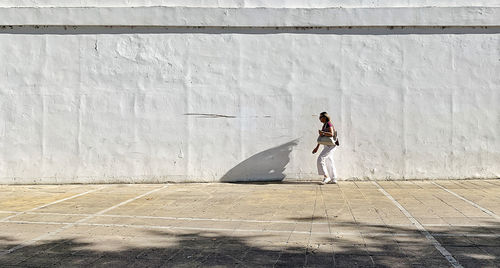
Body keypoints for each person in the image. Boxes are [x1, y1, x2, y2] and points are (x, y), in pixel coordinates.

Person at [312, 112, 338, 184]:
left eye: (321, 117)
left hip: (330, 145)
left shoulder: (329, 124)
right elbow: (322, 138)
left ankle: (326, 177)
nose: (319, 119)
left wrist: (322, 133)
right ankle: (334, 178)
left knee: (321, 158)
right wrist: (317, 147)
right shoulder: (324, 125)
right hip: (327, 145)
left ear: (325, 117)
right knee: (329, 160)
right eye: (319, 117)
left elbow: (331, 134)